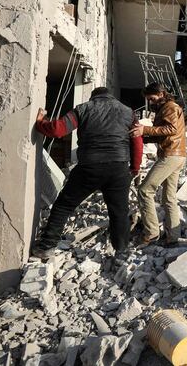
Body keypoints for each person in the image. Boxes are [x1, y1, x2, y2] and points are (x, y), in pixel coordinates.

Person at [32, 87, 142, 261]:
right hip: (119, 167)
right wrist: (134, 167)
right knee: (119, 211)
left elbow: (57, 130)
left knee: (63, 206)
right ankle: (121, 252)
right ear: (110, 97)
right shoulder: (128, 112)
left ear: (94, 98)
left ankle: (46, 247)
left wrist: (41, 122)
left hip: (90, 166)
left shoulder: (83, 108)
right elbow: (137, 141)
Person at [129, 82, 187, 245]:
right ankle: (173, 237)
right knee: (169, 198)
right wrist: (141, 137)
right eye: (149, 99)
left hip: (171, 155)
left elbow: (171, 129)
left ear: (161, 94)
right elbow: (161, 134)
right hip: (175, 154)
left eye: (152, 98)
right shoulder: (164, 108)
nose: (151, 102)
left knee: (145, 190)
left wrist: (144, 130)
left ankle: (152, 233)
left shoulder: (170, 107)